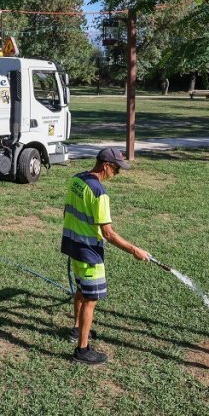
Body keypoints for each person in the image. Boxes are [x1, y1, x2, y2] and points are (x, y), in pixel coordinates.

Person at [61, 147, 150, 365]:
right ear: (105, 165)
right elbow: (108, 233)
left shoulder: (76, 180)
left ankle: (76, 329)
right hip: (89, 252)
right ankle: (82, 350)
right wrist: (134, 250)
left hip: (72, 246)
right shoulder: (99, 192)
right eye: (116, 169)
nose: (117, 173)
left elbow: (66, 210)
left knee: (82, 291)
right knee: (91, 299)